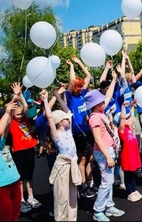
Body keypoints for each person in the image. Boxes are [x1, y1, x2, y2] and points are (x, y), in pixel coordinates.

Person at [85, 89, 125, 221]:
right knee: (106, 181)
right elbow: (97, 139)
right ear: (96, 104)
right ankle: (98, 210)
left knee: (109, 180)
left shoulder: (100, 113)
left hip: (108, 149)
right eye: (101, 101)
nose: (104, 102)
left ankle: (108, 206)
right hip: (104, 152)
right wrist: (108, 156)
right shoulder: (95, 117)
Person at [41, 89, 82, 221]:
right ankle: (61, 218)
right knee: (61, 196)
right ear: (60, 123)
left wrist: (58, 97)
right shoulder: (57, 135)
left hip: (72, 165)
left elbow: (69, 111)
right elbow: (50, 117)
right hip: (63, 167)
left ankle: (71, 218)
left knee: (72, 195)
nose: (68, 120)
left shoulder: (68, 132)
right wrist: (46, 100)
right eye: (65, 119)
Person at [6, 82, 41, 213]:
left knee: (29, 175)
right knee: (20, 177)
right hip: (19, 151)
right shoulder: (11, 122)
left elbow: (26, 107)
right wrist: (15, 96)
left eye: (21, 114)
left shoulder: (25, 119)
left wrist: (21, 97)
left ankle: (31, 197)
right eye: (18, 114)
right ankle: (21, 200)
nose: (20, 116)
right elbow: (8, 111)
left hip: (30, 149)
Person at [65, 55, 96, 198]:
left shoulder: (83, 93)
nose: (83, 86)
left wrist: (78, 62)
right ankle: (82, 185)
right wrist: (71, 66)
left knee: (90, 158)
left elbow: (88, 75)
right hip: (78, 133)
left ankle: (90, 183)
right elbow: (71, 81)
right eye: (80, 85)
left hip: (88, 130)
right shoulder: (70, 96)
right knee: (82, 160)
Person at [0, 97, 21, 222]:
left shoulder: (0, 142)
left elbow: (6, 125)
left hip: (14, 182)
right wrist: (7, 112)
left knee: (15, 218)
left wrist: (13, 101)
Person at [118, 101, 142, 202]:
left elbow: (132, 117)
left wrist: (132, 106)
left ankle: (134, 190)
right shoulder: (122, 130)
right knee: (128, 174)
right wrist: (123, 107)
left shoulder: (130, 129)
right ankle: (130, 193)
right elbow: (123, 118)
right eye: (126, 119)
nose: (128, 119)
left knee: (133, 173)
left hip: (133, 154)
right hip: (127, 155)